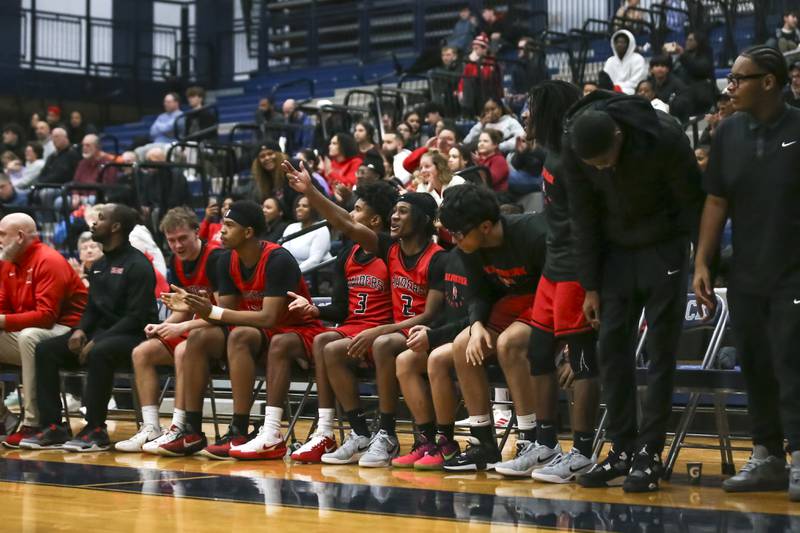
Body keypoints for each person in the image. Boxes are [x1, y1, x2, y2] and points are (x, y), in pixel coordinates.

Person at [561, 90, 703, 492]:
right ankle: (621, 448)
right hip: (616, 252)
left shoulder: (665, 136)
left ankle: (649, 454)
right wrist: (589, 285)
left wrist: (704, 262)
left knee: (660, 353)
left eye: (604, 160)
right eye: (594, 165)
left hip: (665, 246)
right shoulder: (576, 147)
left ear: (619, 136)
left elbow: (693, 203)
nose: (601, 169)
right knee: (611, 349)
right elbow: (583, 218)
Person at [284, 161, 445, 467]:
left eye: (401, 213)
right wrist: (311, 191)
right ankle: (359, 432)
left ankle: (386, 432)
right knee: (330, 349)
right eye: (393, 212)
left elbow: (432, 317)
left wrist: (379, 330)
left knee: (382, 343)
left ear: (421, 220)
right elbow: (346, 224)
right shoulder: (389, 248)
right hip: (394, 332)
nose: (393, 217)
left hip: (425, 334)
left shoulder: (437, 259)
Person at [693, 46, 800, 500]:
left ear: (770, 81)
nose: (729, 87)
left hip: (795, 271)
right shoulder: (729, 133)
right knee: (754, 363)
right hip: (747, 273)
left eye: (739, 79)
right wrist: (703, 260)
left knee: (793, 364)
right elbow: (716, 200)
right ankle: (768, 456)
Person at [159, 201, 325, 460]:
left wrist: (211, 311)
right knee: (199, 337)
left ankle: (239, 428)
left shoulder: (278, 259)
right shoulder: (227, 261)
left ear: (248, 232)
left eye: (229, 226)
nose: (221, 231)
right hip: (259, 332)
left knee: (239, 335)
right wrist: (192, 312)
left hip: (295, 330)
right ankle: (190, 430)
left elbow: (269, 317)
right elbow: (222, 314)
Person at [21, 204, 157, 451]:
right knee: (46, 349)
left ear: (115, 227)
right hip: (102, 335)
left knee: (99, 350)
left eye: (101, 219)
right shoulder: (98, 265)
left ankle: (96, 428)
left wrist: (97, 339)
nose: (94, 223)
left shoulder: (138, 265)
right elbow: (92, 308)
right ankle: (53, 427)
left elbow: (136, 317)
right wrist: (81, 330)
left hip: (135, 336)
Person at [283, 181, 397, 463]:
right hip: (353, 327)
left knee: (327, 343)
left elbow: (343, 223)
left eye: (357, 209)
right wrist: (314, 311)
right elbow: (341, 308)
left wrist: (310, 191)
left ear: (374, 221)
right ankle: (356, 432)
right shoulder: (347, 255)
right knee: (322, 339)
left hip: (381, 328)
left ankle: (382, 432)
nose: (351, 214)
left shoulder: (389, 249)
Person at [436, 184, 547, 472]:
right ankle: (483, 444)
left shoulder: (534, 233)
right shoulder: (471, 248)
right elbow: (479, 293)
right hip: (513, 304)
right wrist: (476, 326)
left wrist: (575, 343)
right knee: (463, 344)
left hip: (550, 299)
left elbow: (564, 286)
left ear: (485, 226)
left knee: (508, 344)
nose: (455, 240)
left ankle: (531, 441)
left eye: (458, 233)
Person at [524, 80, 601, 484]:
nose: (525, 115)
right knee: (538, 352)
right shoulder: (551, 151)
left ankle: (584, 451)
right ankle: (546, 441)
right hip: (553, 267)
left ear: (549, 110)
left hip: (575, 268)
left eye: (531, 107)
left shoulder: (573, 155)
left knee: (583, 358)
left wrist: (591, 283)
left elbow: (589, 223)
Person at [114, 207, 223, 453]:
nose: (177, 245)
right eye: (171, 241)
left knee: (184, 349)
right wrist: (165, 325)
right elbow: (185, 307)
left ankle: (180, 427)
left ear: (197, 232)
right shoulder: (178, 261)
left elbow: (223, 314)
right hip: (198, 328)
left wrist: (181, 325)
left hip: (223, 332)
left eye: (182, 238)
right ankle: (151, 427)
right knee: (142, 352)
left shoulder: (216, 259)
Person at [0, 213, 87, 446]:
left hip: (69, 331)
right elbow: (3, 306)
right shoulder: (8, 263)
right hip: (33, 328)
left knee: (31, 337)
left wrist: (2, 321)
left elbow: (46, 317)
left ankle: (34, 422)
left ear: (19, 236)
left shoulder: (48, 260)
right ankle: (3, 419)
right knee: (28, 335)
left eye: (2, 235)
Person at [667, 32, 716, 117]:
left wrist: (682, 54)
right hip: (681, 94)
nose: (687, 42)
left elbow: (699, 69)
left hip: (699, 96)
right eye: (687, 39)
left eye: (690, 40)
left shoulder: (705, 54)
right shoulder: (685, 55)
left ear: (698, 41)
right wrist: (667, 56)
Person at [281, 195, 332, 272]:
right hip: (291, 272)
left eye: (304, 206)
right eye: (298, 206)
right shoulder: (291, 227)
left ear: (313, 209)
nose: (299, 209)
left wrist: (293, 273)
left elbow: (314, 260)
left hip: (315, 274)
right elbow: (284, 254)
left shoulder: (321, 229)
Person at [458, 33, 503, 118]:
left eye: (476, 48)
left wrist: (476, 63)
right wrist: (461, 91)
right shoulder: (469, 64)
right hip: (474, 97)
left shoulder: (491, 62)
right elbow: (463, 80)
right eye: (473, 48)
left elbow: (486, 77)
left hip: (488, 95)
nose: (474, 51)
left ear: (484, 49)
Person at [603, 29, 648, 95]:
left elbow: (637, 81)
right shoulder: (610, 61)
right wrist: (615, 88)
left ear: (629, 44)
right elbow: (606, 81)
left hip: (632, 92)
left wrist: (620, 88)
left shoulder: (638, 59)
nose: (619, 45)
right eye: (617, 42)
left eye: (622, 42)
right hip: (612, 92)